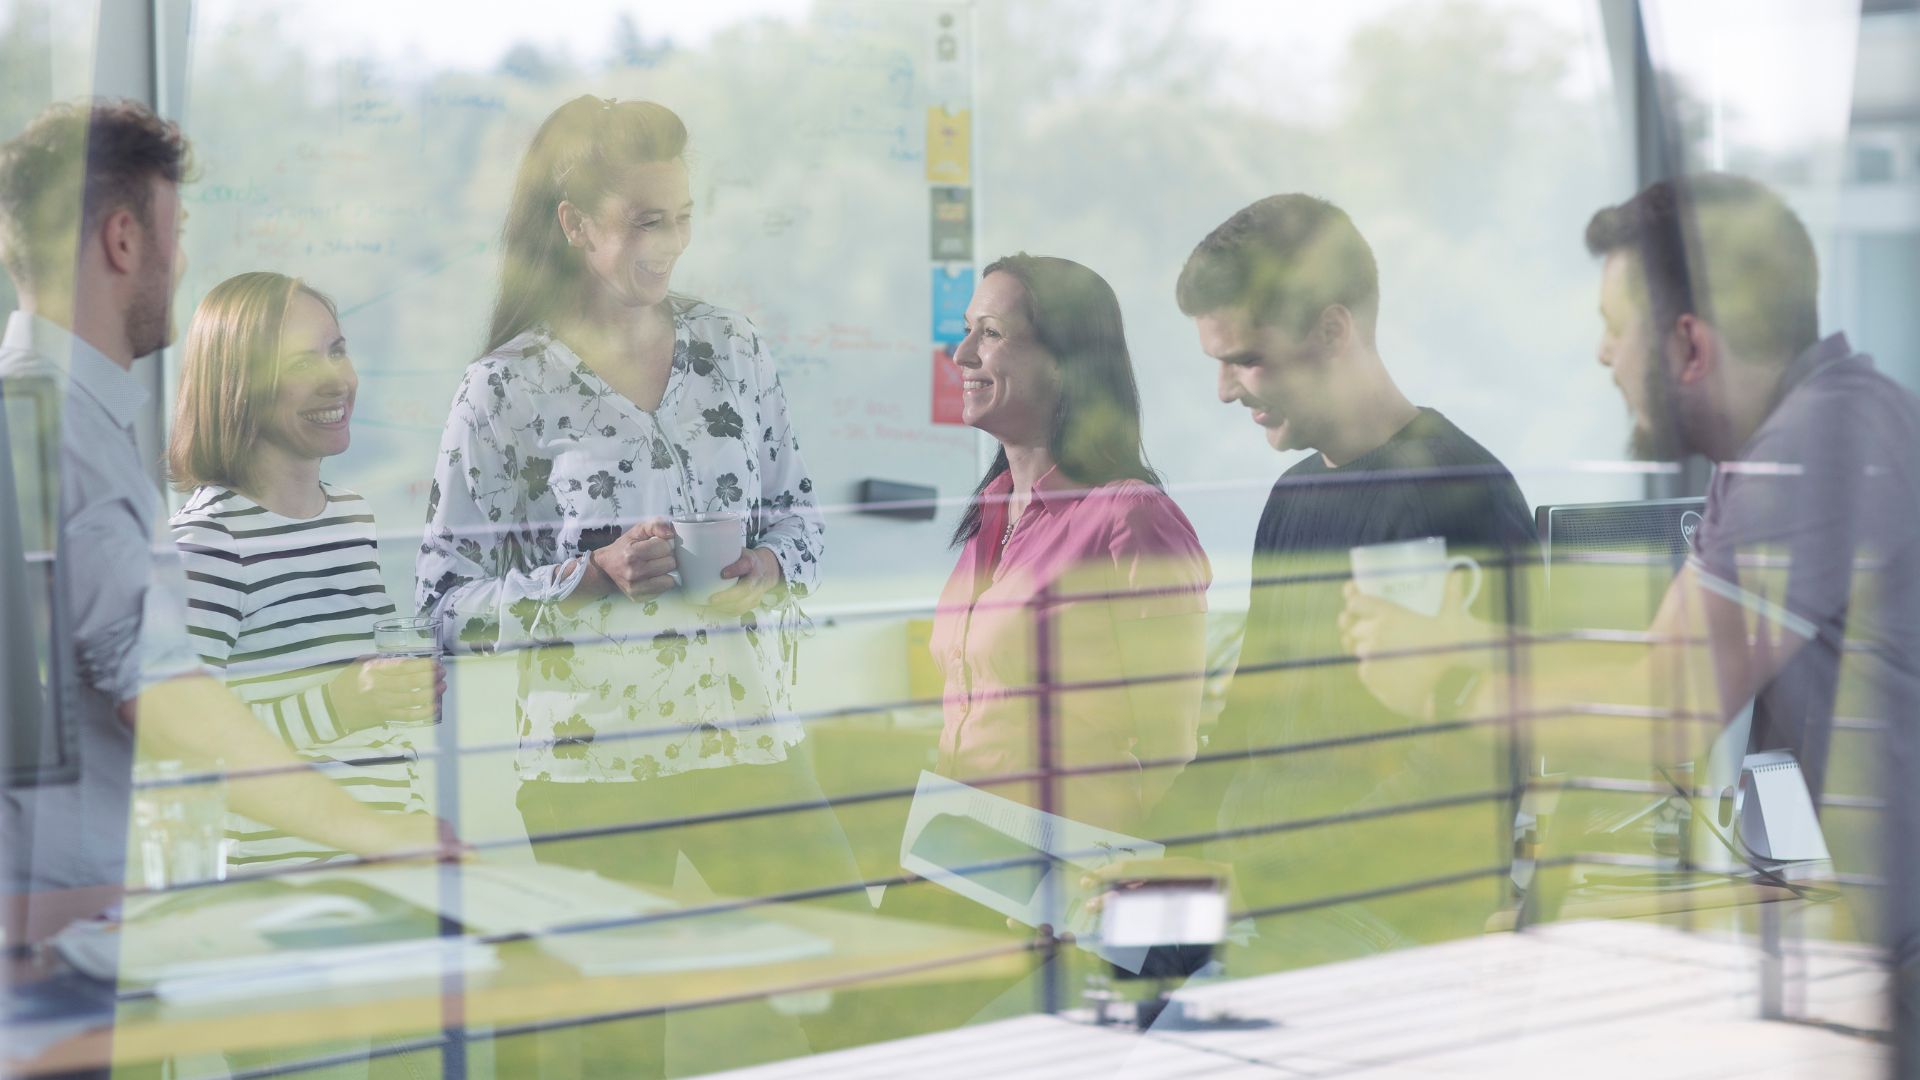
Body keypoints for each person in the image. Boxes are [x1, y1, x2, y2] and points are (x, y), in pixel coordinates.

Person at [1338, 174, 1920, 1067]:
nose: (1602, 355)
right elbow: (1663, 663)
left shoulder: (1814, 445)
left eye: (1617, 326)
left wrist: (1454, 675)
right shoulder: (1783, 440)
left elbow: (1666, 708)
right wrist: (1470, 643)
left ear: (1689, 343)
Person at [416, 95, 850, 1076]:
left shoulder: (733, 351)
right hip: (593, 777)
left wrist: (774, 563)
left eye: (683, 216)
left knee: (854, 986)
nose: (670, 243)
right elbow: (442, 600)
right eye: (646, 219)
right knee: (621, 1055)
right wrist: (586, 581)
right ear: (576, 225)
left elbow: (802, 513)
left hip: (747, 743)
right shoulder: (504, 391)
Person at [0, 101, 444, 920]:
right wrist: (376, 832)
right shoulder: (62, 437)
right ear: (125, 240)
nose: (182, 257)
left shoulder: (49, 414)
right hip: (66, 911)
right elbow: (164, 693)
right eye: (177, 229)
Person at [1161, 194, 1535, 968]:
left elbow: (1450, 773)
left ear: (1333, 331)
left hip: (1366, 921)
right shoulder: (1295, 496)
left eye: (1245, 358)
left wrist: (1256, 879)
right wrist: (1141, 857)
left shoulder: (1448, 493)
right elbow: (1247, 730)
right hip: (1258, 900)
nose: (1226, 390)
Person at [168, 271, 438, 874]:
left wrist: (393, 695)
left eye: (336, 350)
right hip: (282, 886)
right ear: (239, 389)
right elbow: (187, 746)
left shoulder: (350, 518)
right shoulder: (209, 545)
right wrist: (343, 703)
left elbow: (364, 708)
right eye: (298, 364)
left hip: (386, 862)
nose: (336, 379)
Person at [932, 253, 1209, 831]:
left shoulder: (1131, 516)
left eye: (992, 335)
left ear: (1065, 364)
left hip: (1074, 872)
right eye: (966, 332)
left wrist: (1115, 881)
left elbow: (1171, 747)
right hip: (970, 850)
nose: (962, 356)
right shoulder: (990, 516)